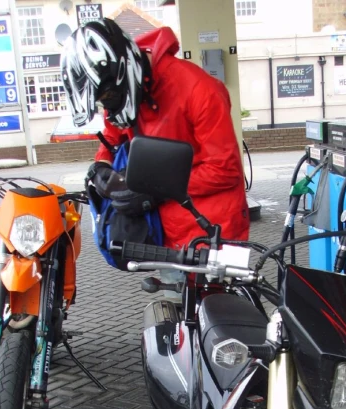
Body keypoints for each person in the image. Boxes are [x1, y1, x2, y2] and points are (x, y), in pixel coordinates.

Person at [61, 19, 249, 256]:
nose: (107, 105)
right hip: (169, 234)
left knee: (219, 294)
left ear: (123, 72)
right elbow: (113, 134)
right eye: (101, 101)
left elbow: (225, 169)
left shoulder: (200, 91)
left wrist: (154, 191)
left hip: (217, 228)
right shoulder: (125, 94)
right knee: (174, 294)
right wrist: (102, 165)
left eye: (107, 96)